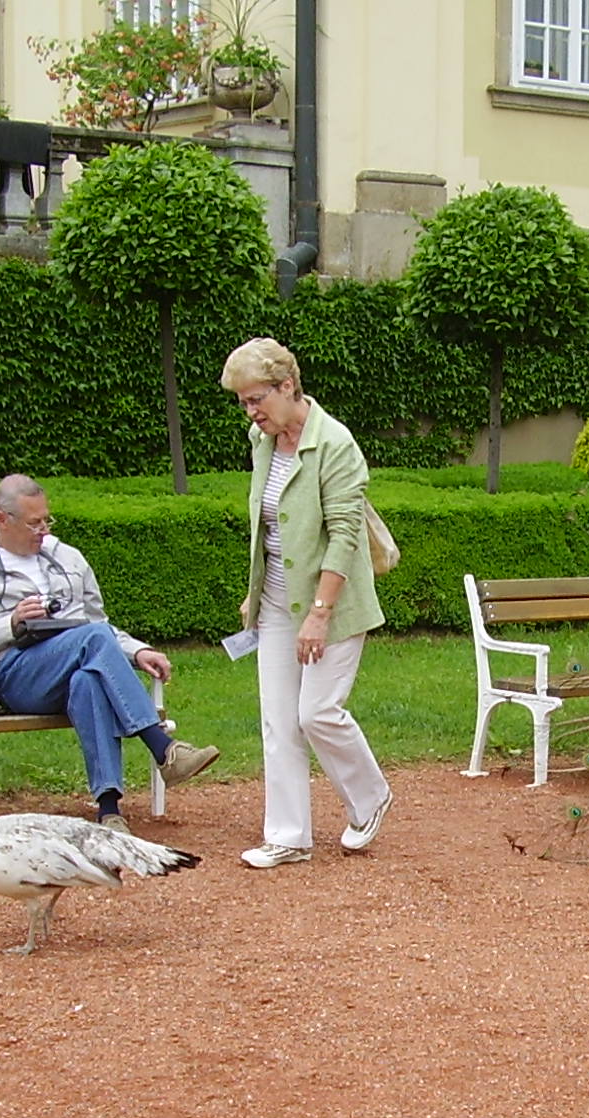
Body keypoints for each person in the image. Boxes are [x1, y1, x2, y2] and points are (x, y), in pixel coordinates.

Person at [0, 475, 218, 831]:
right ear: (1, 520)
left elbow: (98, 624)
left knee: (88, 681)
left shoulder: (68, 558)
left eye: (47, 520)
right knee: (92, 641)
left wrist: (137, 651)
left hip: (74, 663)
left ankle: (109, 811)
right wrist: (11, 624)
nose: (44, 530)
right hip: (14, 675)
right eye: (34, 523)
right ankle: (163, 747)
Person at [220, 337, 392, 868]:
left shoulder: (335, 443)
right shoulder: (262, 439)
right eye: (244, 403)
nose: (251, 412)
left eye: (257, 399)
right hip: (276, 602)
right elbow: (270, 525)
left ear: (288, 385)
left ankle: (370, 797)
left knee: (317, 713)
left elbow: (344, 535)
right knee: (278, 720)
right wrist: (255, 592)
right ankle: (288, 837)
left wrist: (319, 614)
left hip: (332, 604)